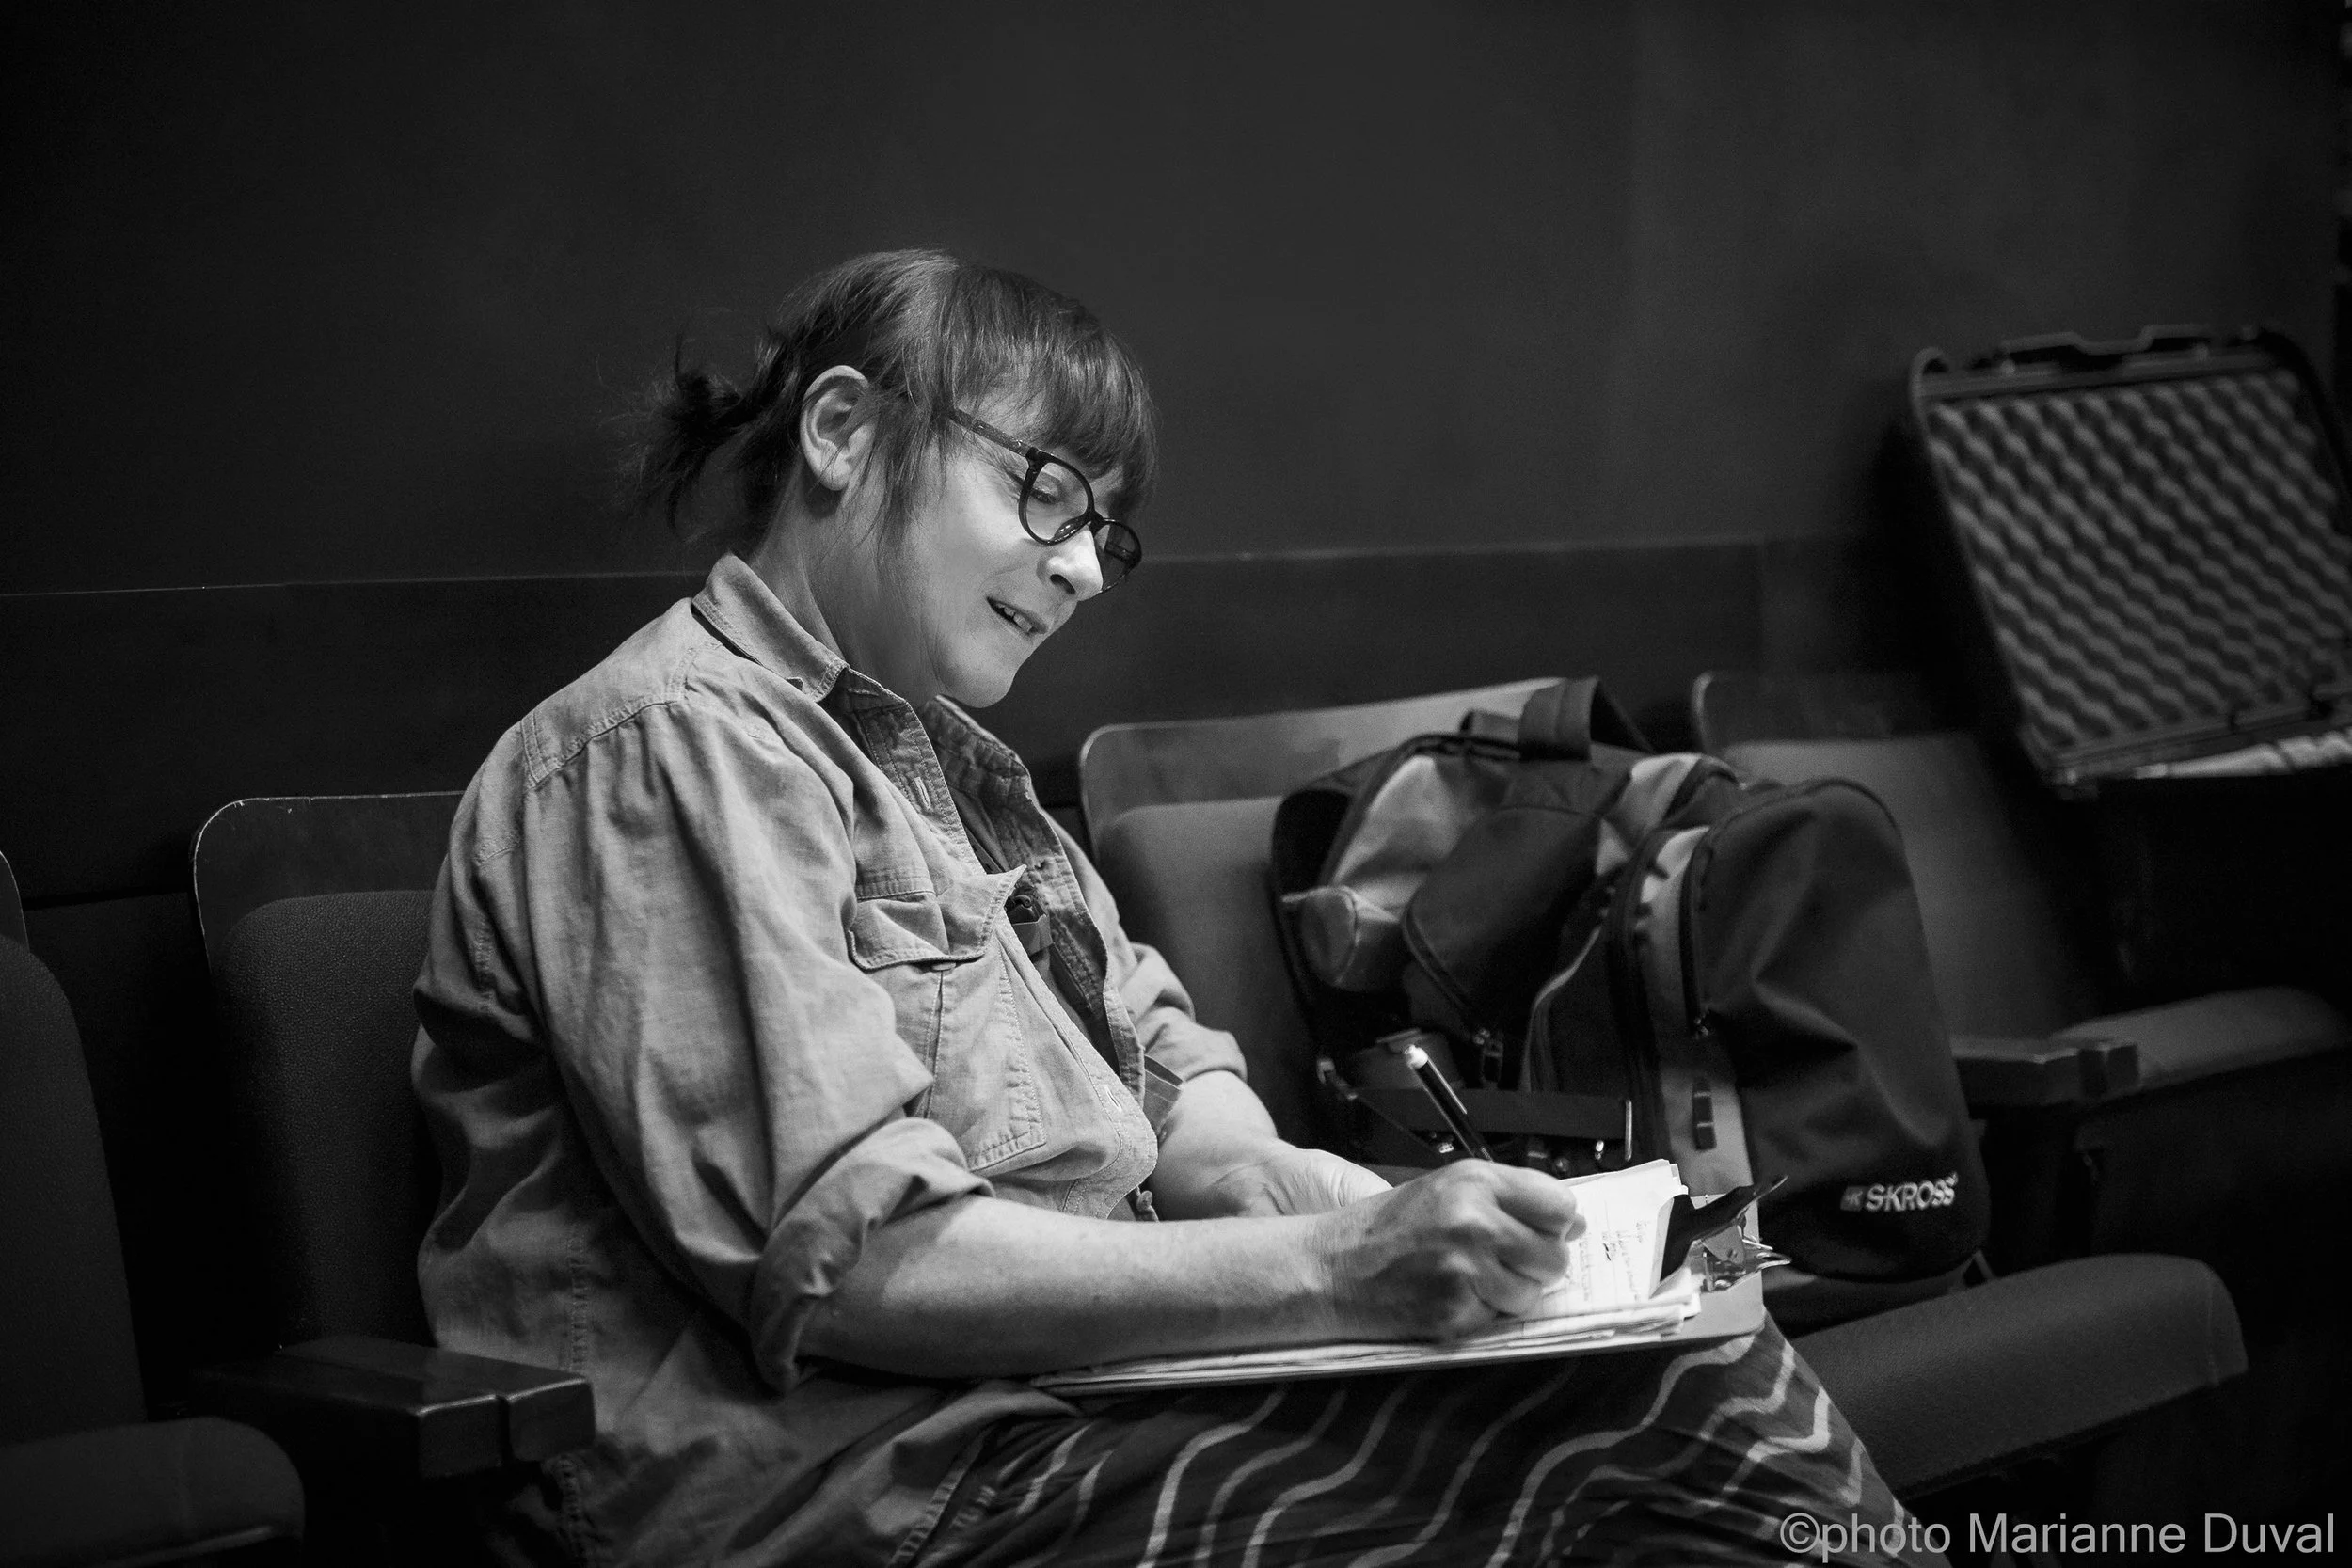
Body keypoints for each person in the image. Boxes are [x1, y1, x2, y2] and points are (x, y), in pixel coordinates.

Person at [413, 248, 1940, 1566]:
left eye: (1106, 531)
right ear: (841, 432)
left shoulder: (966, 775)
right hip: (859, 1498)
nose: (1084, 568)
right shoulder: (672, 747)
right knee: (1648, 1423)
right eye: (1048, 494)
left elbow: (1164, 1065)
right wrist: (1335, 1271)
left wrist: (1297, 1188)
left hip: (1062, 1418)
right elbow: (863, 1262)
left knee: (1681, 1340)